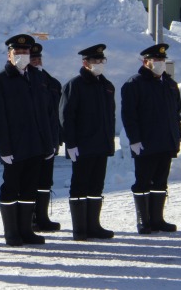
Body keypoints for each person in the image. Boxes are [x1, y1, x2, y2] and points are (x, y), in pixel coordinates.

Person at [0, 34, 56, 246]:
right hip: (14, 146)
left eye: (26, 52)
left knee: (29, 187)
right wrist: (2, 147)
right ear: (9, 55)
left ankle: (26, 230)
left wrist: (49, 142)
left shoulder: (36, 77)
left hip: (36, 144)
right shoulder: (1, 79)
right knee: (11, 187)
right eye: (18, 52)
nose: (23, 55)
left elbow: (45, 113)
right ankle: (12, 232)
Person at [121, 43, 181, 234]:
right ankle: (143, 220)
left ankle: (157, 219)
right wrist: (134, 139)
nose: (160, 63)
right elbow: (129, 115)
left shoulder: (170, 84)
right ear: (145, 61)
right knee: (143, 181)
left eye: (162, 60)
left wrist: (177, 135)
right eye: (156, 60)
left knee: (161, 182)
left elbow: (176, 112)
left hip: (166, 141)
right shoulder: (134, 84)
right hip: (145, 143)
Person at [59, 44, 115, 241]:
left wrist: (109, 143)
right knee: (80, 185)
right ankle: (80, 228)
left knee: (96, 186)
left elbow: (110, 118)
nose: (99, 64)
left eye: (101, 60)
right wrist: (70, 143)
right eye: (95, 61)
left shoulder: (107, 86)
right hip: (82, 145)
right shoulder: (75, 85)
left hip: (101, 145)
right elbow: (67, 117)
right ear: (85, 63)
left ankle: (94, 225)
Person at [29, 42, 62, 232]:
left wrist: (58, 138)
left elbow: (57, 113)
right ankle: (29, 217)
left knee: (45, 180)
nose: (36, 62)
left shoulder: (52, 83)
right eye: (32, 59)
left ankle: (42, 216)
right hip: (31, 141)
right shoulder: (25, 83)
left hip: (49, 140)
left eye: (38, 59)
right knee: (30, 180)